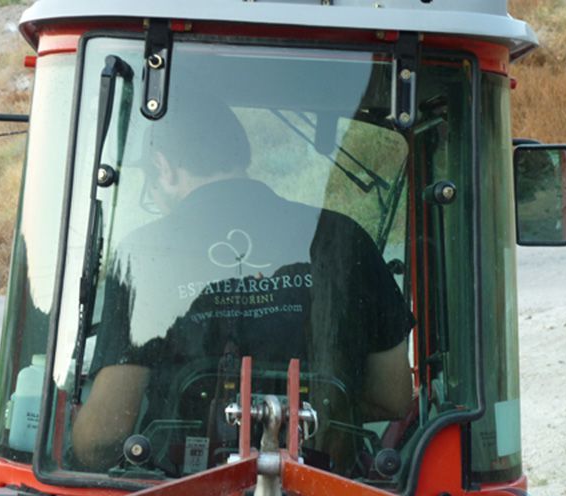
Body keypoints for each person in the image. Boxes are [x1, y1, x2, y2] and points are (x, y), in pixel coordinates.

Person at [72, 95, 414, 474]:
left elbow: (102, 439)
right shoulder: (342, 237)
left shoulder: (145, 253)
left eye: (148, 186)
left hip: (181, 494)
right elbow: (393, 396)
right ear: (239, 154)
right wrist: (309, 414)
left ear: (163, 167)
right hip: (328, 492)